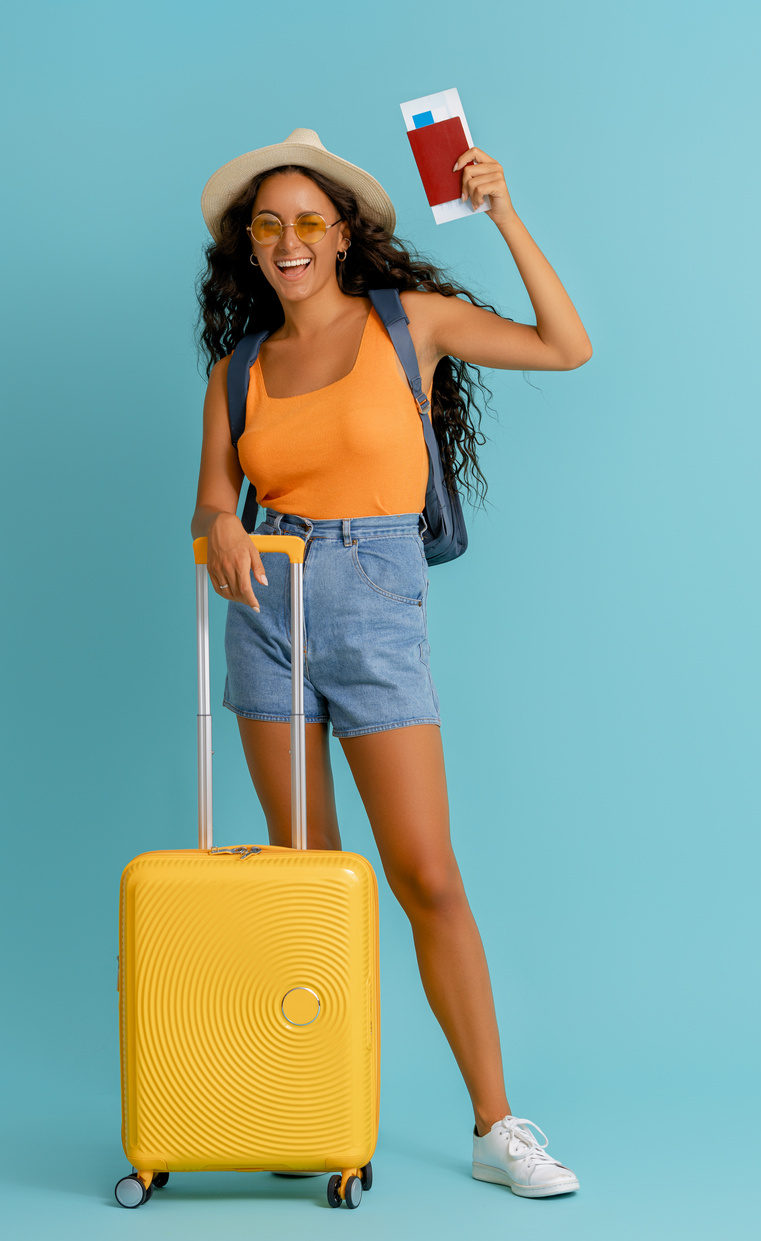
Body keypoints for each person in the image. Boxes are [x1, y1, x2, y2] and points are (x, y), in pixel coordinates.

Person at [193, 128, 591, 1198]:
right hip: (267, 609)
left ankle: (496, 1124)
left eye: (308, 222)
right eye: (267, 224)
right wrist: (221, 531)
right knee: (309, 879)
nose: (288, 241)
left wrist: (503, 210)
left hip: (372, 598)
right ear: (250, 244)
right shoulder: (238, 373)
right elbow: (208, 508)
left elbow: (566, 346)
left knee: (423, 871)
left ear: (345, 234)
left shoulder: (408, 324)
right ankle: (319, 1106)